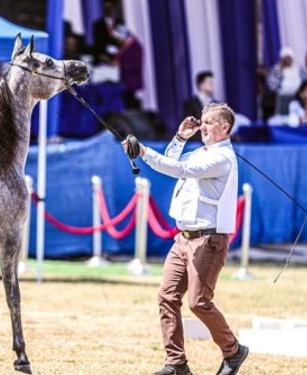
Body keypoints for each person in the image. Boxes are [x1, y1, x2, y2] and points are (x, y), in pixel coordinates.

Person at [128, 103, 249, 375]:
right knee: (167, 296)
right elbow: (174, 162)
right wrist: (180, 138)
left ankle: (233, 350)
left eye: (208, 123)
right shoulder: (201, 152)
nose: (202, 127)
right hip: (182, 239)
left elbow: (178, 170)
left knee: (198, 302)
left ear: (224, 127)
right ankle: (176, 363)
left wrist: (144, 152)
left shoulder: (221, 159)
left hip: (208, 241)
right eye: (202, 122)